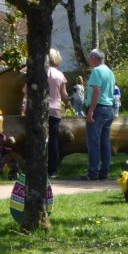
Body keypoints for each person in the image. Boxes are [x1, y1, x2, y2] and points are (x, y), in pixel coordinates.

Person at [82, 48, 116, 181]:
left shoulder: (96, 71)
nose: (89, 61)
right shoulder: (110, 72)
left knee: (94, 143)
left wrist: (91, 110)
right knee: (105, 142)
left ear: (94, 58)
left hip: (98, 109)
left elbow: (96, 91)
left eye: (90, 58)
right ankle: (104, 172)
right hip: (109, 109)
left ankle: (93, 173)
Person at [46, 48, 70, 178]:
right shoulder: (60, 75)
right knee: (53, 141)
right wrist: (67, 104)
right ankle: (52, 170)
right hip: (54, 110)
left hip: (39, 110)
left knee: (36, 138)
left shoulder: (39, 72)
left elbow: (25, 90)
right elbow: (64, 94)